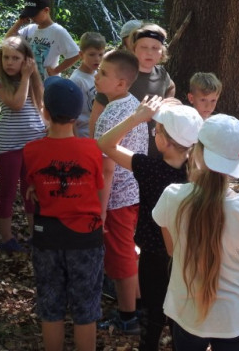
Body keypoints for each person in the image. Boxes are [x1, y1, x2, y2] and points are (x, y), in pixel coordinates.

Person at [97, 100, 202, 351]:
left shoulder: (149, 168)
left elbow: (105, 144)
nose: (154, 132)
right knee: (181, 315)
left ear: (165, 141)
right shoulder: (200, 174)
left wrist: (136, 118)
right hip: (187, 255)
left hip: (153, 254)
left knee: (152, 313)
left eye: (157, 130)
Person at [154, 114, 239, 351]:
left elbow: (172, 250)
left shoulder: (172, 197)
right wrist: (231, 282)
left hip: (186, 311)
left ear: (198, 152)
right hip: (234, 316)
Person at [24, 77, 105, 351]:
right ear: (77, 114)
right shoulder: (92, 149)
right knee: (86, 308)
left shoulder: (31, 150)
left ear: (45, 112)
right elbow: (96, 187)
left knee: (51, 305)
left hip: (47, 236)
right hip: (86, 238)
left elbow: (34, 185)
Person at [93, 50, 149, 333]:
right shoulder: (132, 104)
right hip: (136, 191)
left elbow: (106, 169)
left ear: (121, 83)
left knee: (120, 255)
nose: (96, 75)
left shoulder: (110, 116)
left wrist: (100, 211)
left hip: (117, 198)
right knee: (129, 249)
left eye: (103, 73)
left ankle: (127, 317)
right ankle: (137, 302)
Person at [0, 36, 46, 253]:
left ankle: (35, 234)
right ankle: (7, 239)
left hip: (33, 144)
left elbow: (41, 106)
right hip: (9, 146)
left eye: (15, 58)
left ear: (26, 59)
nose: (10, 62)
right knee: (8, 192)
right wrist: (25, 77)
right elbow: (17, 104)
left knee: (31, 190)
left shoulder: (33, 80)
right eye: (6, 58)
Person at [90, 23, 175, 156]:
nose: (149, 52)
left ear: (162, 52)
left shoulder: (162, 74)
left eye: (155, 48)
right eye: (144, 47)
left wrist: (168, 102)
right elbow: (96, 115)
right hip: (121, 149)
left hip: (155, 149)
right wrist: (93, 147)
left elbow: (171, 86)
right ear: (134, 48)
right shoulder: (123, 76)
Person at [6, 0, 80, 81]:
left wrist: (56, 70)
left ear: (46, 10)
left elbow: (76, 54)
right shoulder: (30, 29)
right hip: (28, 82)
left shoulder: (58, 31)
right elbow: (8, 41)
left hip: (47, 84)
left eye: (34, 14)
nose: (32, 17)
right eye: (29, 14)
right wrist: (19, 22)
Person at [69, 32, 105, 138]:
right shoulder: (76, 80)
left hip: (98, 133)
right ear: (81, 55)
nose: (97, 59)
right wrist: (76, 140)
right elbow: (71, 115)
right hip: (83, 134)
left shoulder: (97, 74)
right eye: (92, 54)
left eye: (100, 54)